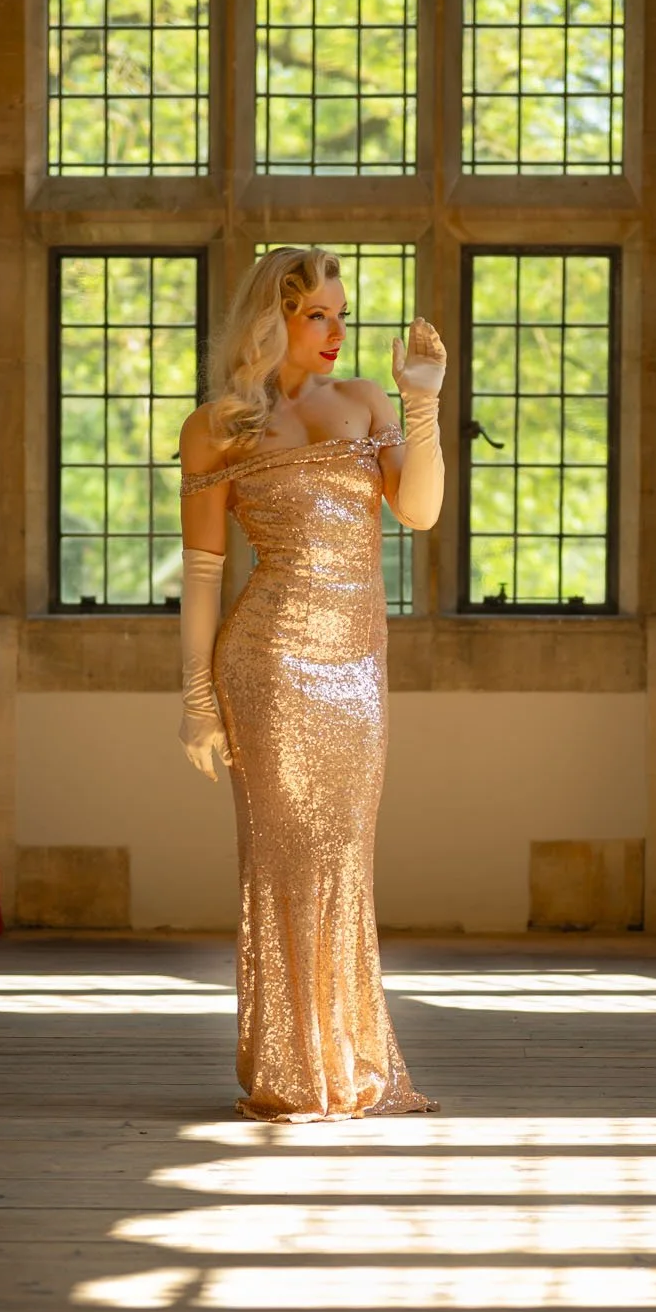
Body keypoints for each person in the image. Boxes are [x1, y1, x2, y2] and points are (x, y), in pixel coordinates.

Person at [178, 248, 446, 1121]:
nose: (337, 331)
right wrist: (194, 699)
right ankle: (291, 1070)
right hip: (266, 662)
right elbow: (204, 570)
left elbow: (419, 511)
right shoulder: (216, 425)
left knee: (343, 859)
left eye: (341, 312)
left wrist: (423, 400)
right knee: (281, 861)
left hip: (356, 667)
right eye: (317, 315)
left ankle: (345, 1060)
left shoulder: (367, 402)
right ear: (274, 320)